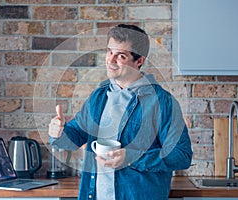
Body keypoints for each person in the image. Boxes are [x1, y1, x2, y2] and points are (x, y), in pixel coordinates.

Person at [48, 24, 193, 200]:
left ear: (139, 61)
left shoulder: (162, 102)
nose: (110, 60)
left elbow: (181, 155)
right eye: (109, 52)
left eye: (121, 55)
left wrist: (131, 157)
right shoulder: (99, 97)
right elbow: (73, 138)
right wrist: (58, 133)